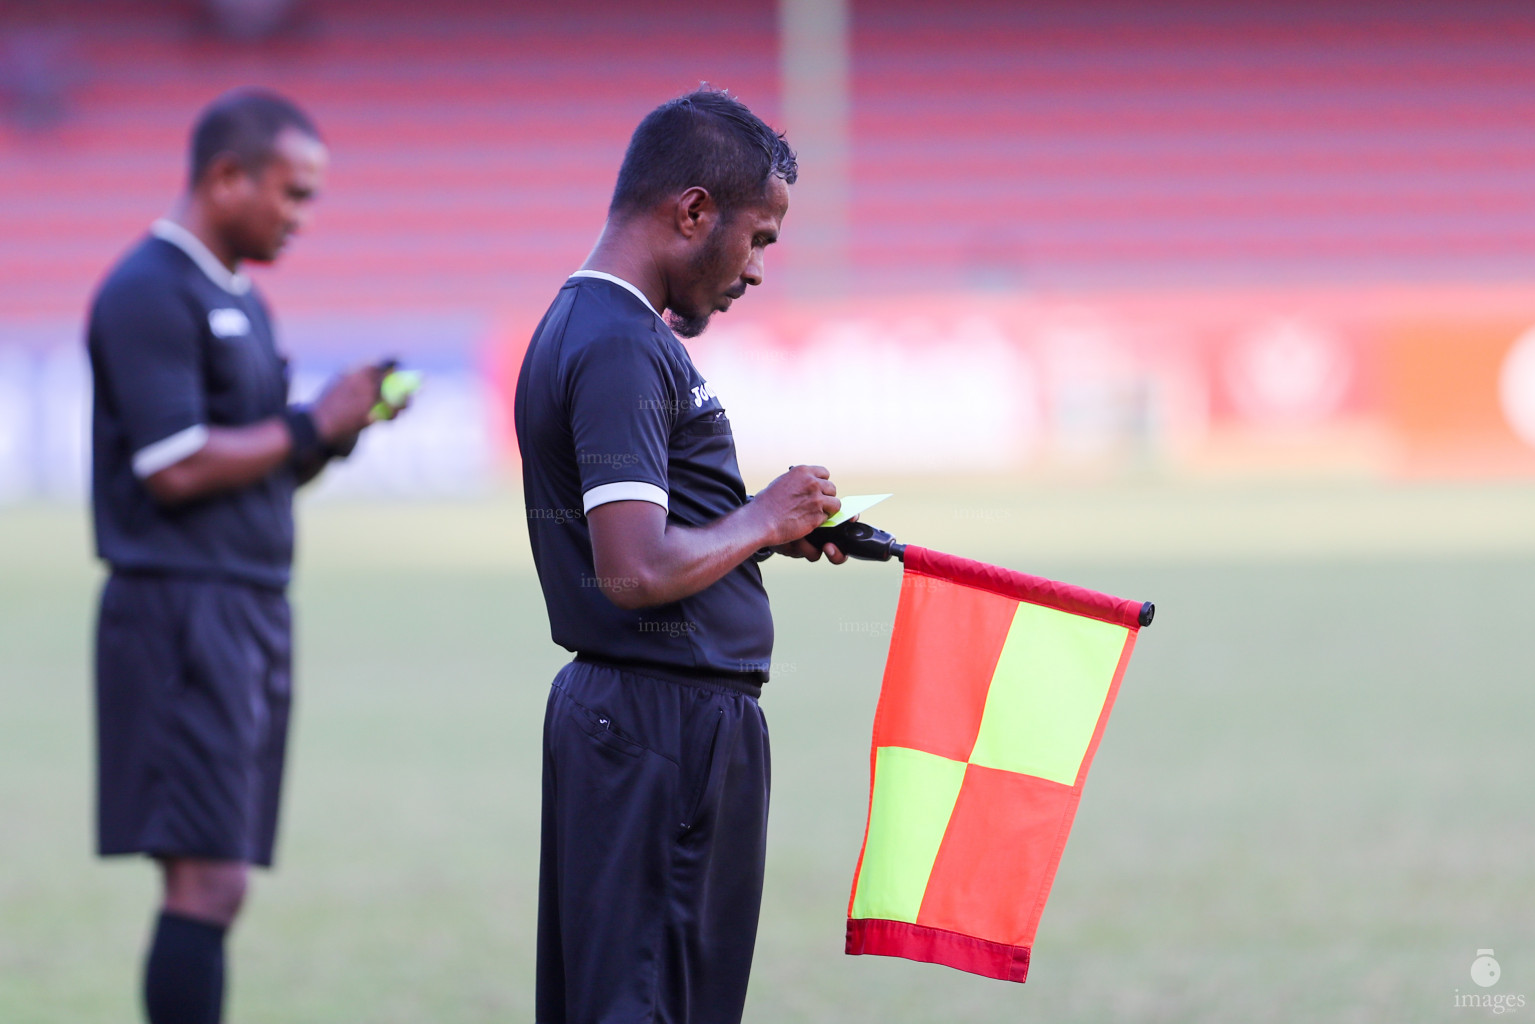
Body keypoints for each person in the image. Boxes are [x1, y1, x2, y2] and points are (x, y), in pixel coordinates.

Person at [515, 86, 847, 1024]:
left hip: (645, 720)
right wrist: (762, 521)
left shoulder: (599, 326)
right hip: (662, 724)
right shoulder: (619, 343)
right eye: (759, 239)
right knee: (651, 1006)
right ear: (693, 210)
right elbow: (635, 571)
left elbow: (656, 542)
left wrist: (763, 534)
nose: (754, 271)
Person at [86, 88, 401, 1024]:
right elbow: (174, 466)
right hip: (179, 615)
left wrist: (335, 434)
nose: (300, 217)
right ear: (227, 177)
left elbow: (254, 475)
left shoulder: (245, 301)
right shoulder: (148, 289)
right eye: (291, 194)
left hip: (250, 608)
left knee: (221, 882)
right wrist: (309, 421)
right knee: (206, 884)